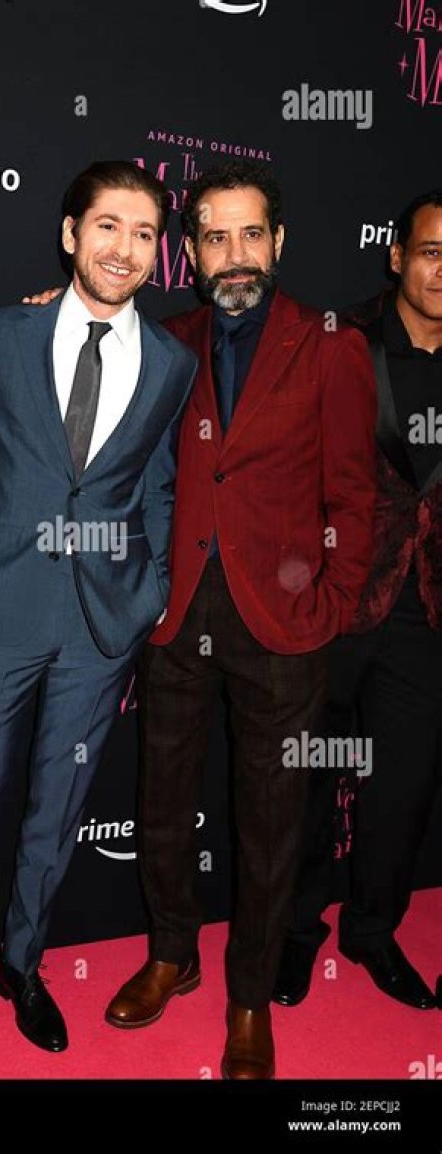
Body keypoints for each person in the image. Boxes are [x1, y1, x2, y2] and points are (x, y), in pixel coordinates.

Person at [0, 160, 197, 1068]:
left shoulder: (173, 364)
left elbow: (159, 485)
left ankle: (23, 965)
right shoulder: (4, 332)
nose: (124, 248)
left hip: (103, 622)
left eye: (144, 234)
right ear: (72, 235)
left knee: (59, 807)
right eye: (107, 226)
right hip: (3, 603)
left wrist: (151, 590)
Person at [104, 160, 378, 1079]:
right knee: (161, 798)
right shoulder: (166, 341)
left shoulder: (330, 345)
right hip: (178, 611)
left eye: (250, 234)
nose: (235, 254)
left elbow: (355, 491)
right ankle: (171, 953)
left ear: (279, 241)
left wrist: (332, 602)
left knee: (271, 821)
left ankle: (251, 997)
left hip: (285, 621)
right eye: (215, 236)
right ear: (190, 251)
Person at [272, 190, 442, 1013]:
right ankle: (295, 934)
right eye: (432, 252)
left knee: (400, 790)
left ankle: (372, 933)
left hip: (427, 615)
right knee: (307, 784)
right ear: (398, 255)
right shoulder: (337, 340)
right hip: (336, 604)